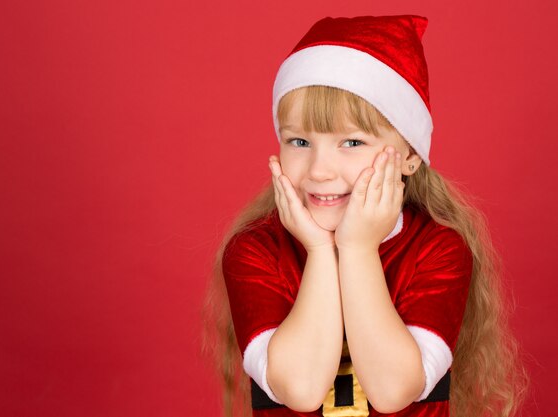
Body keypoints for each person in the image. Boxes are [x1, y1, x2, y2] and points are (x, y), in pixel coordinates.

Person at [201, 15, 527, 417]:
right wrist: (321, 251)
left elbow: (393, 391)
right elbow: (299, 389)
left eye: (352, 141)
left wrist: (357, 249)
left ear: (409, 155)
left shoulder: (437, 249)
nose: (320, 170)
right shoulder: (255, 250)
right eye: (299, 141)